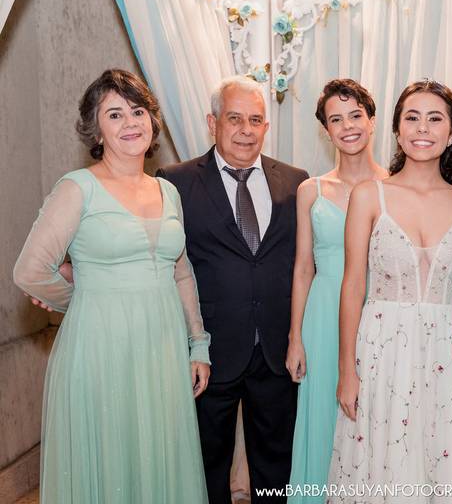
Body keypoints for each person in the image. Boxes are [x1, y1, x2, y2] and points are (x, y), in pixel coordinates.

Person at [13, 69, 209, 503]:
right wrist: (83, 297)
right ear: (96, 129)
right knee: (110, 466)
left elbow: (181, 272)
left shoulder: (167, 192)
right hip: (100, 352)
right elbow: (30, 271)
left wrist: (198, 344)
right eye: (115, 114)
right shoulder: (77, 188)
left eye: (138, 111)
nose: (130, 123)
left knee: (157, 464)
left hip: (162, 352)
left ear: (152, 121)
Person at [328, 80, 452, 502]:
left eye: (435, 118)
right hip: (381, 352)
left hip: (451, 356)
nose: (422, 128)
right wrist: (347, 370)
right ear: (397, 129)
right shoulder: (370, 197)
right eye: (412, 117)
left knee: (450, 465)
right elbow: (353, 285)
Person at [157, 76, 309, 503]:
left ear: (266, 127)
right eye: (235, 119)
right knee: (206, 464)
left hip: (276, 351)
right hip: (208, 352)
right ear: (213, 123)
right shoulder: (174, 182)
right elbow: (160, 258)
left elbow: (305, 262)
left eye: (255, 120)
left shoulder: (295, 181)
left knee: (277, 466)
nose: (246, 130)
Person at [285, 79, 388, 503]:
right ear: (326, 130)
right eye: (336, 119)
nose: (348, 127)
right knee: (324, 422)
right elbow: (303, 267)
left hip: (380, 316)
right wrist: (295, 337)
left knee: (376, 421)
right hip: (323, 319)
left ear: (372, 120)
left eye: (355, 115)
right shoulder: (311, 190)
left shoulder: (394, 186)